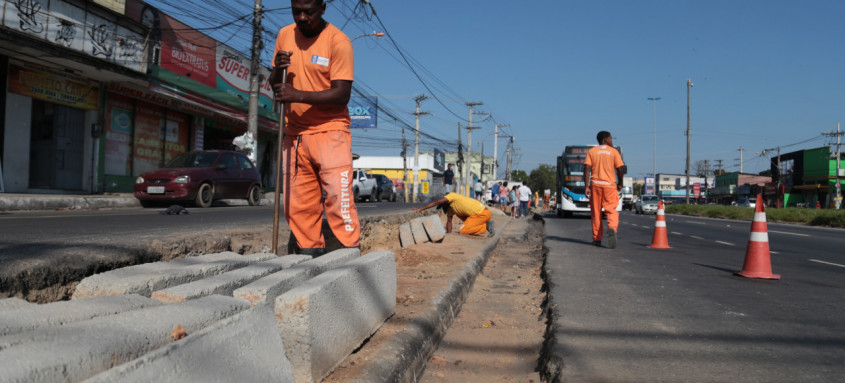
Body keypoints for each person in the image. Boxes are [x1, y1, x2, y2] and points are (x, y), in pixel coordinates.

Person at [269, 0, 359, 257]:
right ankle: (309, 263)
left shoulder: (338, 42)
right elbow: (275, 83)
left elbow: (342, 94)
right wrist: (277, 68)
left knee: (338, 200)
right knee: (299, 208)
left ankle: (351, 260)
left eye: (308, 11)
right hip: (295, 136)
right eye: (296, 11)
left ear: (322, 7)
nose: (302, 17)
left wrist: (296, 94)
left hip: (331, 133)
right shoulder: (285, 35)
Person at [584, 131, 625, 249]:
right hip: (609, 186)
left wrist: (586, 186)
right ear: (605, 139)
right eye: (611, 138)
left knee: (596, 213)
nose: (612, 141)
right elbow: (620, 169)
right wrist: (620, 183)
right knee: (611, 210)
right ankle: (612, 228)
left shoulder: (592, 151)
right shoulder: (613, 152)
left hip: (595, 185)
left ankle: (597, 239)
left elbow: (587, 169)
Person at [413, 193, 493, 237]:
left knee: (462, 230)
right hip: (479, 214)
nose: (442, 208)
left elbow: (436, 202)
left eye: (442, 205)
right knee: (459, 215)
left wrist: (421, 209)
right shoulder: (451, 208)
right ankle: (483, 225)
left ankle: (485, 226)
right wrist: (448, 234)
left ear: (445, 201)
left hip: (482, 214)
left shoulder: (452, 196)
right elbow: (449, 221)